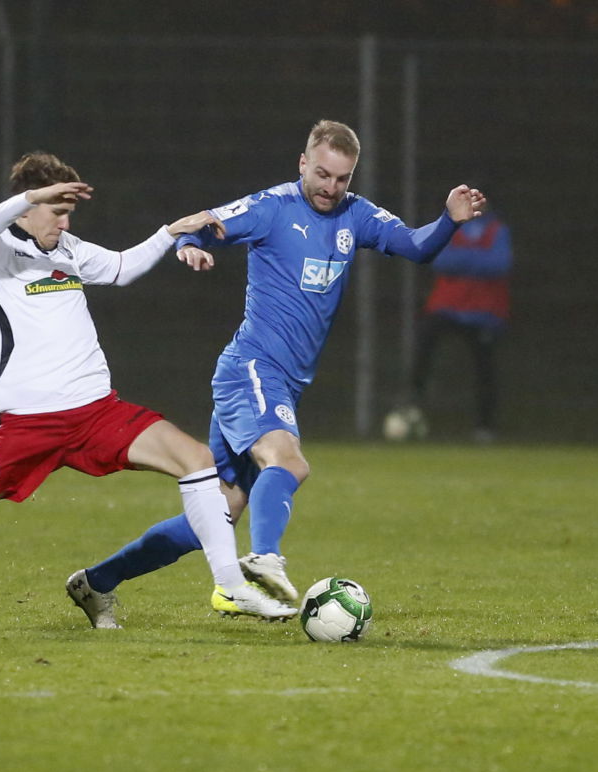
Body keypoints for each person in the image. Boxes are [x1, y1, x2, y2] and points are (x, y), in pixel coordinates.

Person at [0, 152, 297, 634]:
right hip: (27, 423)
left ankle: (230, 584)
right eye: (57, 210)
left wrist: (167, 233)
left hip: (96, 413)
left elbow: (121, 269)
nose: (64, 220)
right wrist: (32, 197)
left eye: (68, 211)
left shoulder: (68, 250)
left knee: (198, 460)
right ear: (26, 208)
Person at [70, 120, 486, 608]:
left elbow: (417, 247)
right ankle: (264, 558)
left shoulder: (357, 216)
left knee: (217, 514)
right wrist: (188, 246)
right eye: (324, 174)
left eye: (343, 178)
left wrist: (450, 219)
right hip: (252, 368)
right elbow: (207, 223)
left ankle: (96, 582)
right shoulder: (272, 207)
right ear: (303, 163)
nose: (332, 188)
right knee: (289, 462)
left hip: (282, 382)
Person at [407, 203, 511, 443]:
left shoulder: (497, 230)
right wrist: (478, 259)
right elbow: (440, 260)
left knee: (485, 369)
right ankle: (412, 405)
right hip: (447, 307)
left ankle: (485, 427)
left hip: (483, 312)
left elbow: (499, 265)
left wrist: (462, 260)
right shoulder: (452, 226)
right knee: (424, 345)